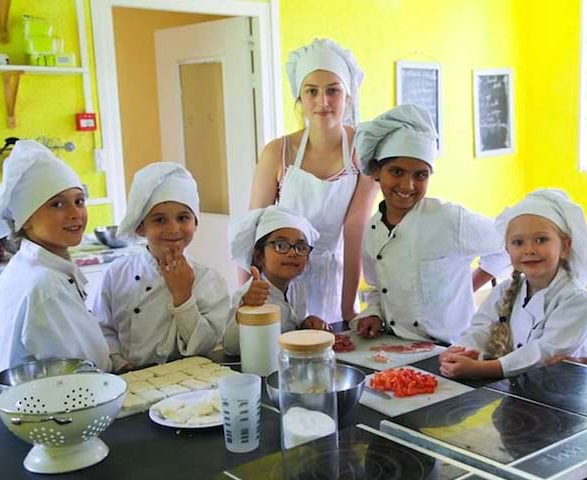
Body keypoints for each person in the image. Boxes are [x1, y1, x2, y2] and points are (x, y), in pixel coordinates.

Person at [348, 104, 509, 345]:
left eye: (420, 175)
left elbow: (508, 243)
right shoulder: (372, 231)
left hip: (451, 349)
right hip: (396, 346)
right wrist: (373, 313)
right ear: (376, 171)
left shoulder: (449, 219)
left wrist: (470, 284)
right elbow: (376, 288)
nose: (408, 185)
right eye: (397, 171)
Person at [249, 38, 377, 323]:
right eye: (312, 91)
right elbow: (253, 229)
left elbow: (354, 227)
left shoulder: (362, 149)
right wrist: (249, 295)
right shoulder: (277, 152)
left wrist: (348, 308)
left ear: (348, 96)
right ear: (300, 97)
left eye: (333, 91)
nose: (323, 102)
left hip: (336, 278)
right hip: (281, 280)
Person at [440, 189, 587, 378]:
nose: (529, 250)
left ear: (565, 246)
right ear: (507, 249)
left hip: (558, 395)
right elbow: (481, 328)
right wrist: (463, 351)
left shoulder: (576, 300)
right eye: (518, 242)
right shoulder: (504, 290)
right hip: (517, 389)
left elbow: (545, 353)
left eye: (541, 240)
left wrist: (483, 369)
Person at [0, 140, 111, 372]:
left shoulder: (29, 266)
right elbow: (85, 368)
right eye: (57, 204)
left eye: (79, 201)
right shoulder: (45, 284)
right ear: (26, 219)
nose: (75, 213)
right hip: (61, 402)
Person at [91, 163, 229, 371]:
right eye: (159, 220)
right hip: (126, 380)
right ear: (140, 227)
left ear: (195, 223)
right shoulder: (117, 273)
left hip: (186, 386)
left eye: (183, 218)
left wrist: (183, 296)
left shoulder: (209, 280)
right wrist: (118, 362)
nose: (173, 229)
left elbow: (206, 346)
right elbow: (101, 328)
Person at [223, 206, 327, 354]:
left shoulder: (298, 288)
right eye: (280, 245)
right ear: (259, 256)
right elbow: (230, 347)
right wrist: (246, 307)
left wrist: (305, 324)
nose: (292, 253)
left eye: (301, 247)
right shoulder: (249, 295)